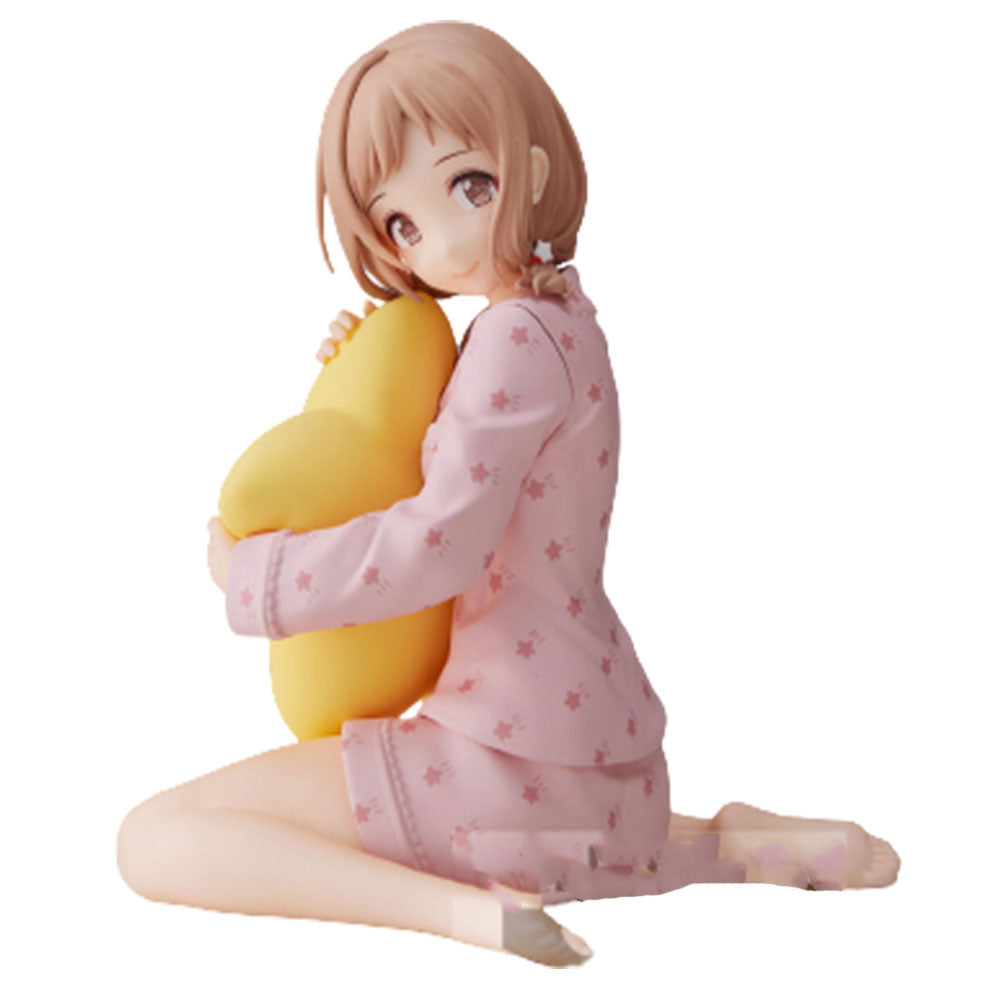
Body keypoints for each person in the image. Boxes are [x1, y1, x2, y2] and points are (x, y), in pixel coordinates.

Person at [117, 22, 899, 967]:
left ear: (531, 167)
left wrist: (257, 575)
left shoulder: (513, 338)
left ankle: (467, 914)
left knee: (152, 839)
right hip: (602, 770)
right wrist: (372, 362)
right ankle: (744, 844)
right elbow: (447, 465)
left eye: (469, 187)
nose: (443, 240)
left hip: (501, 761)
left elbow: (438, 544)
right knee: (606, 849)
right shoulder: (561, 318)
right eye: (402, 225)